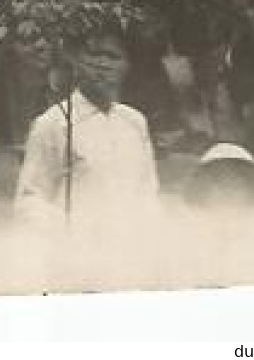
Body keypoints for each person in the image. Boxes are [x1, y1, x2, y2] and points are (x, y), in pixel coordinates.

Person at [15, 21, 162, 240]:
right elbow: (29, 201)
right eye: (94, 54)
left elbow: (148, 193)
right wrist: (71, 230)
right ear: (76, 60)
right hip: (74, 255)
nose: (102, 63)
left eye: (113, 56)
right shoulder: (53, 123)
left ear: (127, 65)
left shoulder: (135, 122)